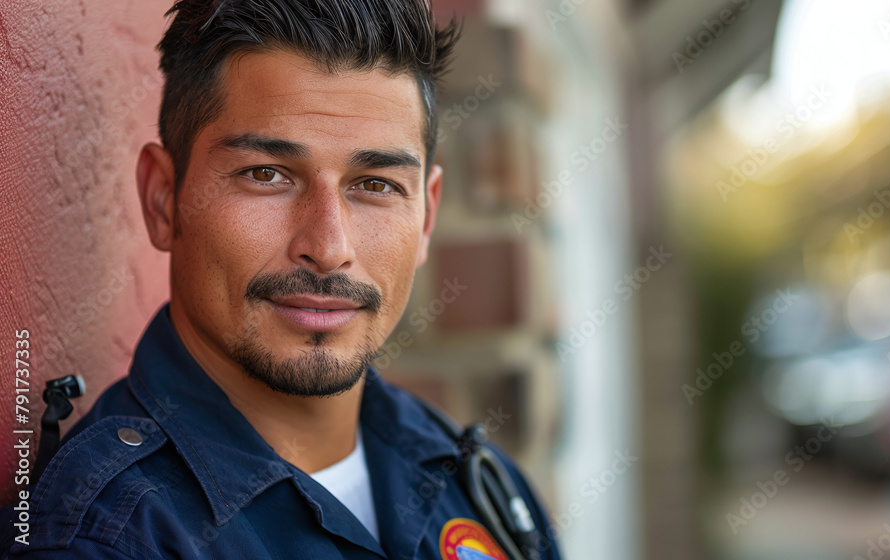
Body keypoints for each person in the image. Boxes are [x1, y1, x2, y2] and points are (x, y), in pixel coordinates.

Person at [0, 1, 561, 558]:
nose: (327, 248)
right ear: (164, 200)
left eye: (376, 185)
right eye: (266, 175)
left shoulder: (484, 490)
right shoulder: (99, 542)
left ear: (426, 219)